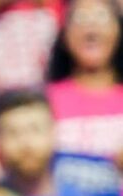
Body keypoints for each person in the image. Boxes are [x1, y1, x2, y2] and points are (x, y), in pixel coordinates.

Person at [46, 0, 123, 161]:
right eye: (80, 19)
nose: (91, 28)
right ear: (64, 36)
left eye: (101, 18)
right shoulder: (46, 100)